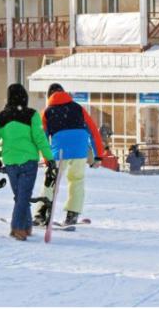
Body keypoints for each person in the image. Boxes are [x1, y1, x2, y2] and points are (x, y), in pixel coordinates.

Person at [0, 83, 55, 241]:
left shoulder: (0, 117)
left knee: (21, 196)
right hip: (29, 162)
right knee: (23, 196)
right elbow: (40, 138)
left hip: (10, 162)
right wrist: (49, 158)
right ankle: (17, 228)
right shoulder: (31, 115)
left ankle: (26, 226)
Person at [33, 83, 104, 226]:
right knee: (76, 180)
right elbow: (93, 131)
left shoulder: (47, 112)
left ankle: (41, 213)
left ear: (49, 96)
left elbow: (42, 139)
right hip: (80, 149)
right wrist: (98, 155)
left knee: (51, 181)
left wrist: (47, 159)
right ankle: (72, 214)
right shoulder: (78, 108)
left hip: (59, 150)